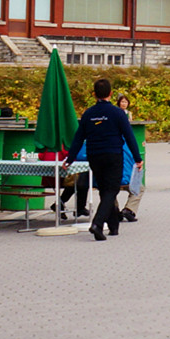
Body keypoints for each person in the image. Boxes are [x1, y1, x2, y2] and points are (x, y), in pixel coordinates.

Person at [67, 77, 140, 241]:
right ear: (111, 93)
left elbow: (79, 137)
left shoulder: (88, 113)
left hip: (94, 156)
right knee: (111, 190)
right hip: (113, 155)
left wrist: (70, 158)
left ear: (95, 95)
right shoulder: (117, 113)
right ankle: (97, 224)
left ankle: (113, 227)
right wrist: (137, 158)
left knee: (105, 190)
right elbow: (129, 137)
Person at [114, 93, 145, 222]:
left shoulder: (109, 145)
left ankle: (114, 212)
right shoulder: (128, 147)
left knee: (108, 191)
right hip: (125, 179)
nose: (124, 103)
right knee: (139, 187)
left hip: (111, 179)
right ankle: (129, 209)